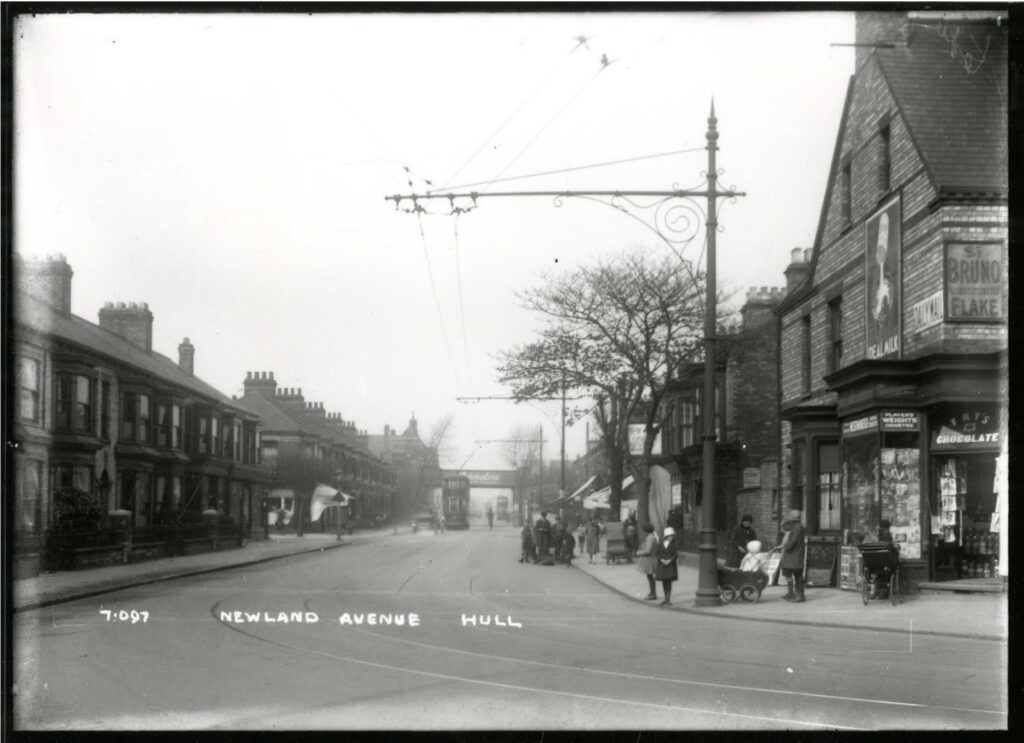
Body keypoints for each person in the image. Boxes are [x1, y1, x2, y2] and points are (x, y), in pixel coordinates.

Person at [780, 509, 806, 603]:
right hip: (794, 555)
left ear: (794, 517)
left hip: (795, 555)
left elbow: (793, 542)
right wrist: (784, 520)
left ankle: (800, 595)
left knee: (798, 575)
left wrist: (785, 546)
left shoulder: (797, 528)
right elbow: (784, 528)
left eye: (790, 515)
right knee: (791, 574)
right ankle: (792, 593)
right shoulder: (795, 526)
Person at [655, 526, 679, 606]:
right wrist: (661, 559)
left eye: (672, 536)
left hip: (670, 565)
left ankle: (668, 598)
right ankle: (665, 598)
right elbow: (657, 554)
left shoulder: (673, 544)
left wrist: (670, 560)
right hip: (662, 565)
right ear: (666, 536)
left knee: (669, 582)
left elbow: (675, 555)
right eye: (669, 536)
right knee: (664, 581)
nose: (671, 537)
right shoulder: (660, 543)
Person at [636, 523, 659, 600]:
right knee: (650, 577)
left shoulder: (650, 538)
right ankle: (652, 592)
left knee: (650, 577)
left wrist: (639, 553)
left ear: (646, 531)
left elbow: (648, 551)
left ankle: (653, 593)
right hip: (652, 559)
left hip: (649, 559)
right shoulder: (653, 537)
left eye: (644, 530)